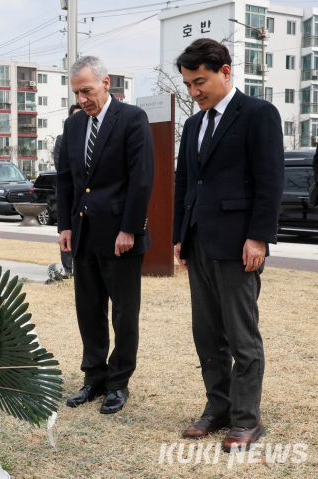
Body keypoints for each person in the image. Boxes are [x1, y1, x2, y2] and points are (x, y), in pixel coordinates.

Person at [173, 38, 284, 452]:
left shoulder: (258, 114)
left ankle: (246, 420)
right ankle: (217, 407)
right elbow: (186, 183)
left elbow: (270, 181)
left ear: (225, 71)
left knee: (241, 335)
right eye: (187, 84)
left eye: (199, 81)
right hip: (199, 238)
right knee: (206, 332)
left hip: (239, 243)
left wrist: (258, 237)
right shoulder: (193, 125)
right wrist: (179, 237)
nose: (194, 91)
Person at [57, 56, 154, 414]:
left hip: (121, 236)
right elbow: (66, 180)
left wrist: (130, 228)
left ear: (105, 83)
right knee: (89, 310)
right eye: (77, 92)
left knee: (124, 314)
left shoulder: (131, 119)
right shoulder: (72, 126)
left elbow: (141, 180)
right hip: (83, 233)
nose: (82, 98)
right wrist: (65, 226)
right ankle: (94, 379)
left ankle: (118, 383)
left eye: (87, 90)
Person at [54, 103, 82, 277]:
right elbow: (62, 169)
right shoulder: (62, 139)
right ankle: (68, 269)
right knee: (66, 232)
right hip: (71, 195)